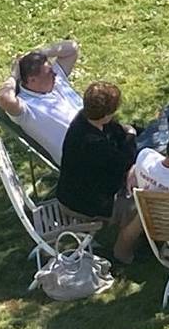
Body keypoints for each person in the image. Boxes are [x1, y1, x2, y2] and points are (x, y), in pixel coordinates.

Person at [55, 82, 144, 262]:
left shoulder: (88, 119)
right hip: (82, 201)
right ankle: (122, 251)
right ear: (106, 114)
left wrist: (130, 133)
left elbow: (118, 133)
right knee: (141, 205)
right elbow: (123, 162)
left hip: (89, 187)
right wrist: (131, 136)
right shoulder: (90, 141)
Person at [0, 39, 82, 165]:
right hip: (82, 157)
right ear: (32, 80)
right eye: (49, 73)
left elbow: (72, 48)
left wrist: (39, 53)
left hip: (104, 135)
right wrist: (14, 75)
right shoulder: (27, 108)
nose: (55, 74)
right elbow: (4, 98)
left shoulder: (56, 80)